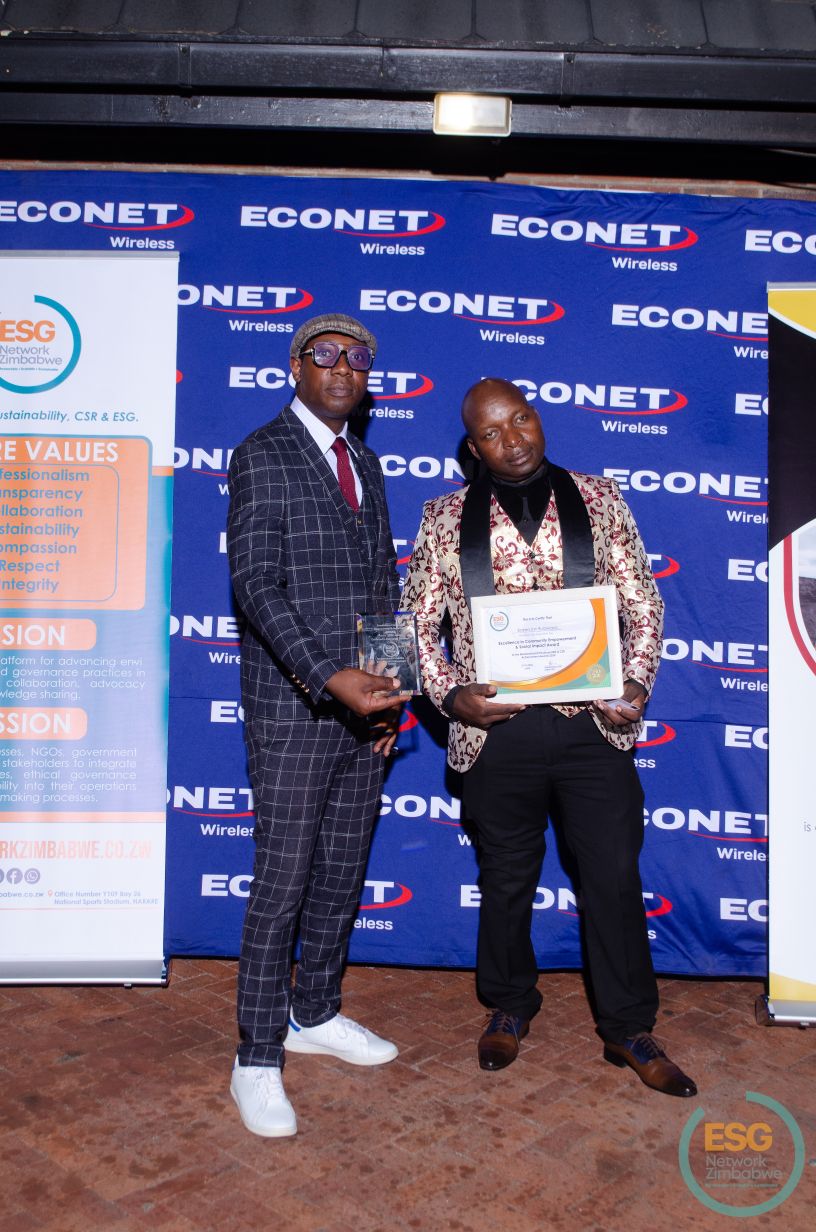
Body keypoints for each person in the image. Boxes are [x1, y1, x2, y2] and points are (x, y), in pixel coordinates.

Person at [402, 377, 696, 1097]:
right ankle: (508, 1004)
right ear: (473, 448)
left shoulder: (599, 497)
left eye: (521, 420)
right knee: (505, 880)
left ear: (537, 418)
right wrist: (450, 697)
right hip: (494, 734)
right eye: (492, 433)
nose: (513, 439)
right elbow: (414, 625)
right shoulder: (444, 516)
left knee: (613, 877)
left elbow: (643, 601)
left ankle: (628, 1027)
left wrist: (636, 682)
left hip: (592, 728)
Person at [226, 313, 410, 1137]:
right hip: (296, 706)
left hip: (366, 709)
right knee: (283, 883)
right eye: (324, 354)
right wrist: (328, 676)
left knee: (341, 872)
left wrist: (391, 689)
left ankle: (316, 1013)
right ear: (295, 366)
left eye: (357, 357)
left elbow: (382, 587)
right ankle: (257, 1055)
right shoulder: (262, 453)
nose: (342, 367)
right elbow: (255, 584)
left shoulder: (364, 461)